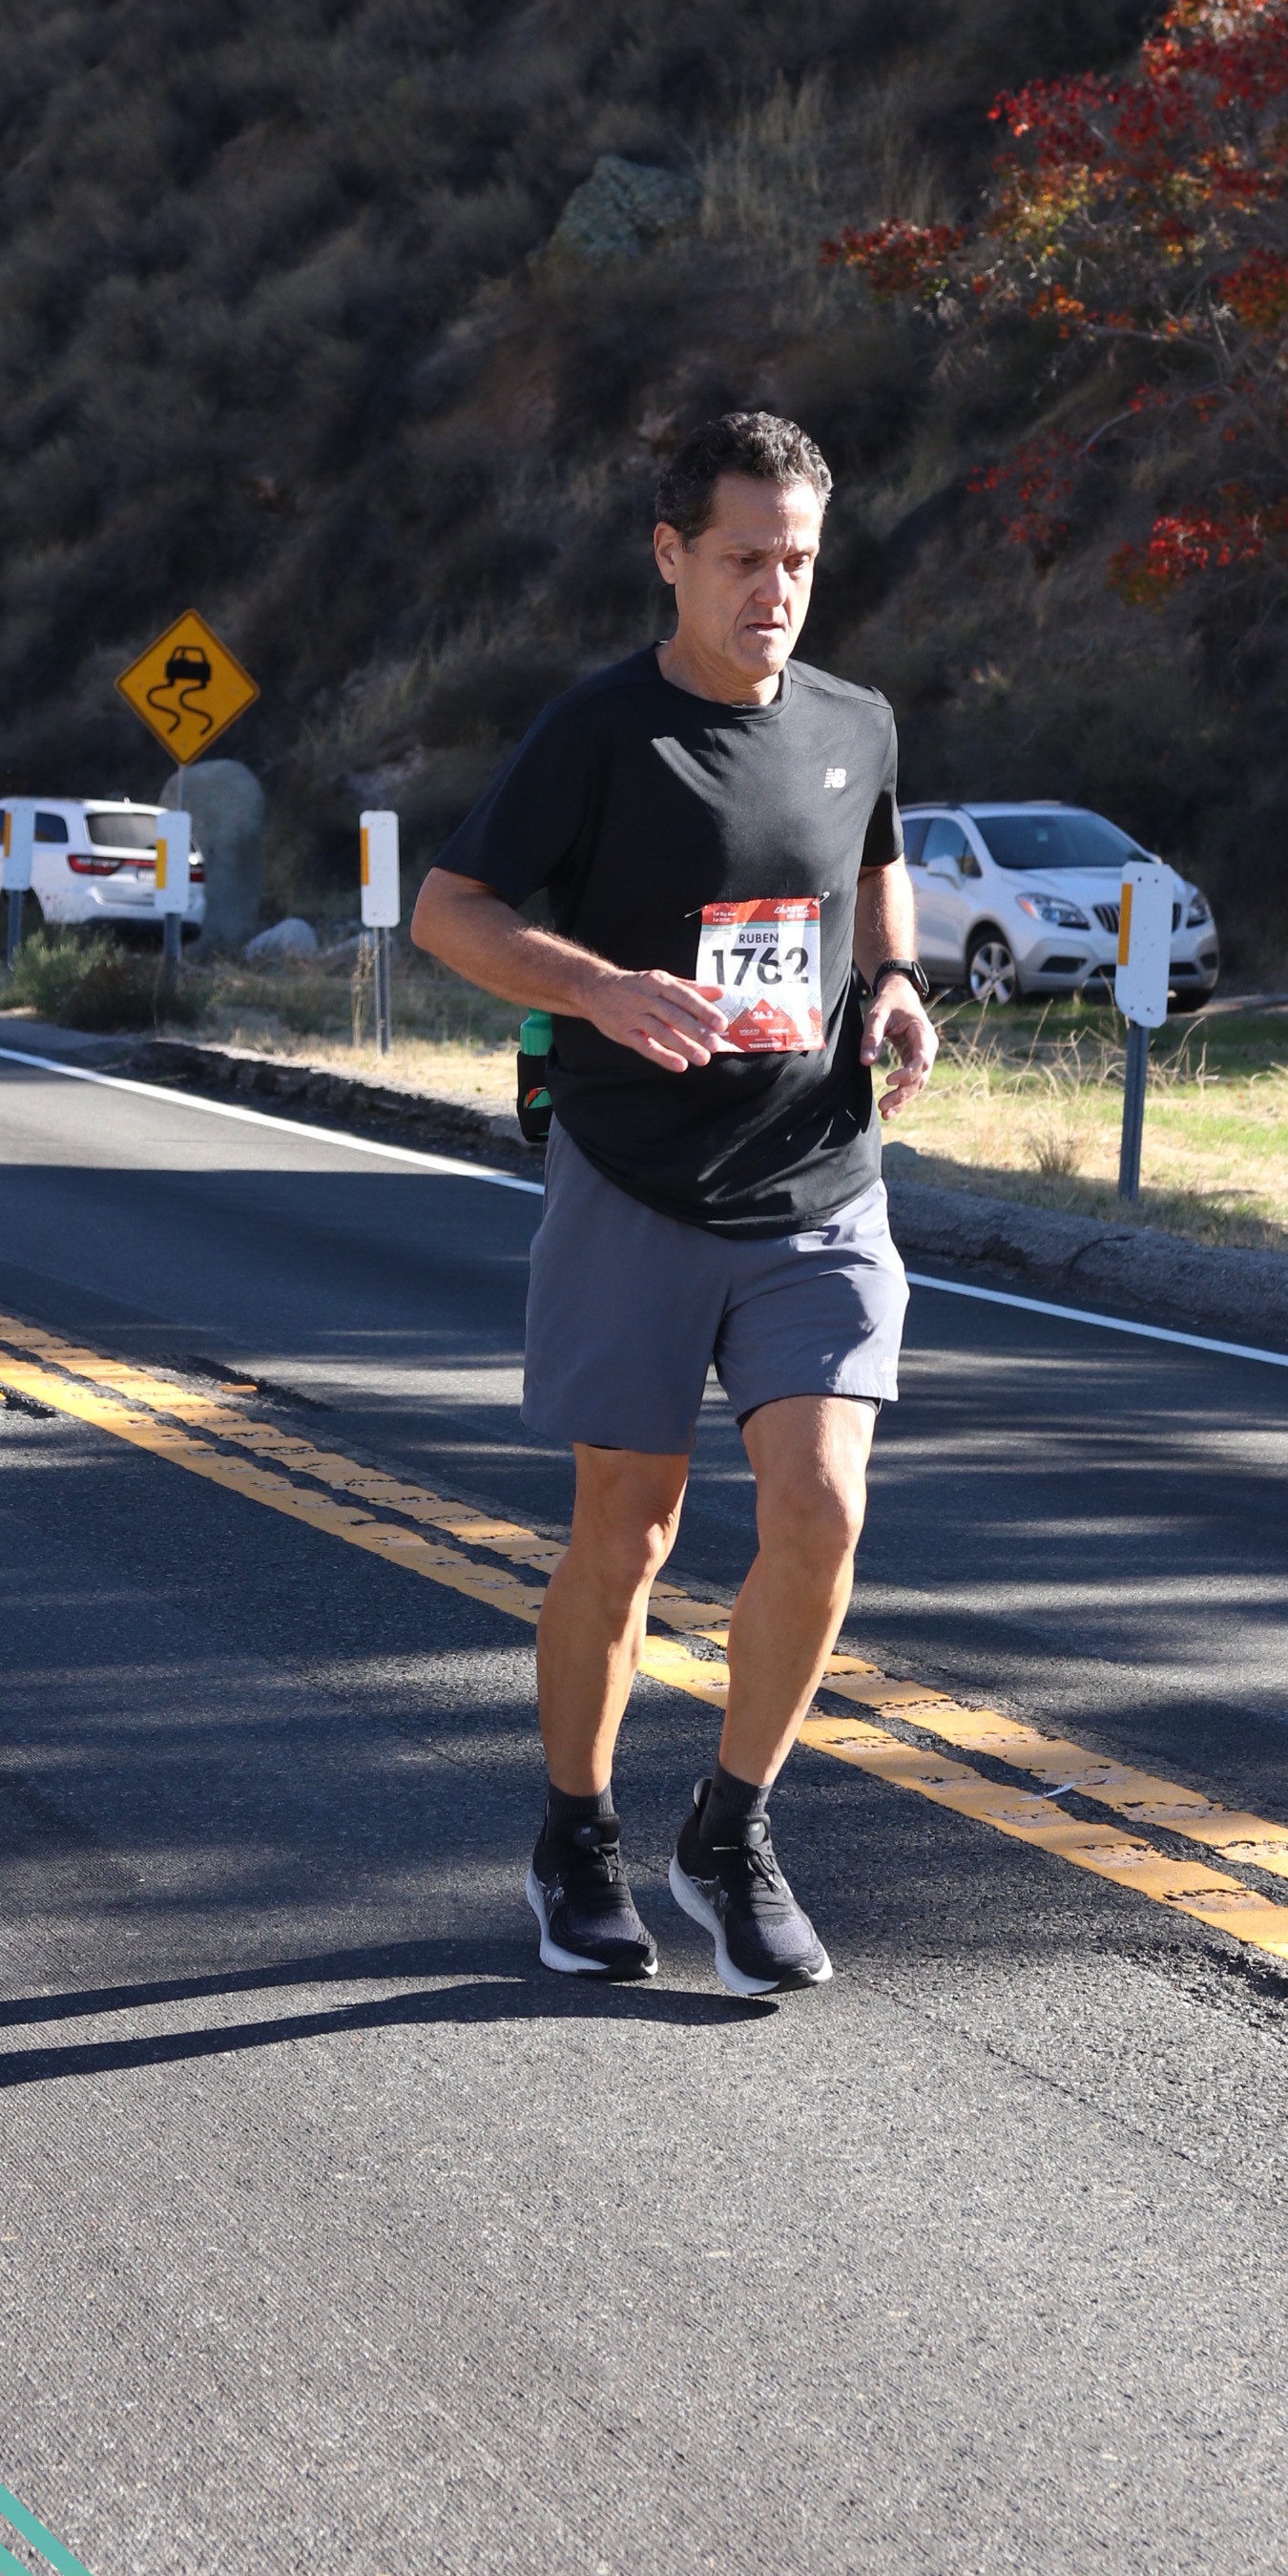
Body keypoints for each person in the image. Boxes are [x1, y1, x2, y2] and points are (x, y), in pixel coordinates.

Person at [413, 408, 938, 1997]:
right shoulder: (600, 731)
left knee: (822, 1506)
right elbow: (450, 909)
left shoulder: (855, 720)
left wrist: (894, 981)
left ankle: (730, 1825)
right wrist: (597, 988)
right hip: (634, 1177)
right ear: (671, 554)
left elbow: (872, 865)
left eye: (799, 560)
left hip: (817, 1177)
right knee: (628, 1531)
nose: (774, 589)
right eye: (743, 558)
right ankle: (577, 1830)